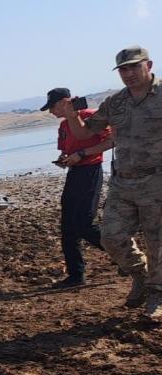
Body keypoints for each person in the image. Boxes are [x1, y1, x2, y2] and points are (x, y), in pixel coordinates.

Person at [63, 46, 162, 320]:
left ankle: (156, 295)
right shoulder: (115, 102)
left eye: (133, 67)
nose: (128, 73)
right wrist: (72, 115)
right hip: (123, 182)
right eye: (123, 69)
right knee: (111, 237)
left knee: (158, 241)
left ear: (149, 65)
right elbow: (85, 134)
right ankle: (139, 273)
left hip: (157, 180)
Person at [41, 87, 114, 288]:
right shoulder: (64, 126)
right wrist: (64, 159)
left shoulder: (90, 116)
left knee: (84, 224)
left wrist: (82, 154)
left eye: (52, 107)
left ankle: (123, 255)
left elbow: (110, 142)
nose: (51, 112)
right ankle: (76, 275)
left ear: (64, 102)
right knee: (68, 226)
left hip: (90, 172)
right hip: (75, 174)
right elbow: (67, 151)